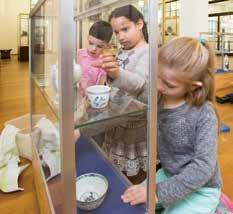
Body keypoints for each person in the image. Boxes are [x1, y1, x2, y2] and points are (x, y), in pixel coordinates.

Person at [121, 37, 222, 214]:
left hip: (202, 189)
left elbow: (204, 168)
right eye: (157, 77)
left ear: (193, 86)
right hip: (168, 174)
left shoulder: (204, 113)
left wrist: (158, 193)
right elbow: (138, 88)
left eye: (168, 84)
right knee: (129, 201)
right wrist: (115, 73)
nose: (158, 86)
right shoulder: (160, 96)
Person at [94, 5, 149, 178]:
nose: (121, 36)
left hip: (135, 118)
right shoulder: (121, 51)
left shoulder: (147, 52)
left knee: (131, 163)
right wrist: (106, 79)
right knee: (115, 158)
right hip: (117, 114)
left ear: (139, 24)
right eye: (116, 32)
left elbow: (138, 83)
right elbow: (114, 78)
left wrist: (115, 73)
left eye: (125, 29)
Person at [77, 20, 113, 88]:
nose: (93, 48)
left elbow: (99, 88)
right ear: (88, 38)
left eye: (99, 46)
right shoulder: (78, 54)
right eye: (91, 43)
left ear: (107, 46)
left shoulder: (103, 64)